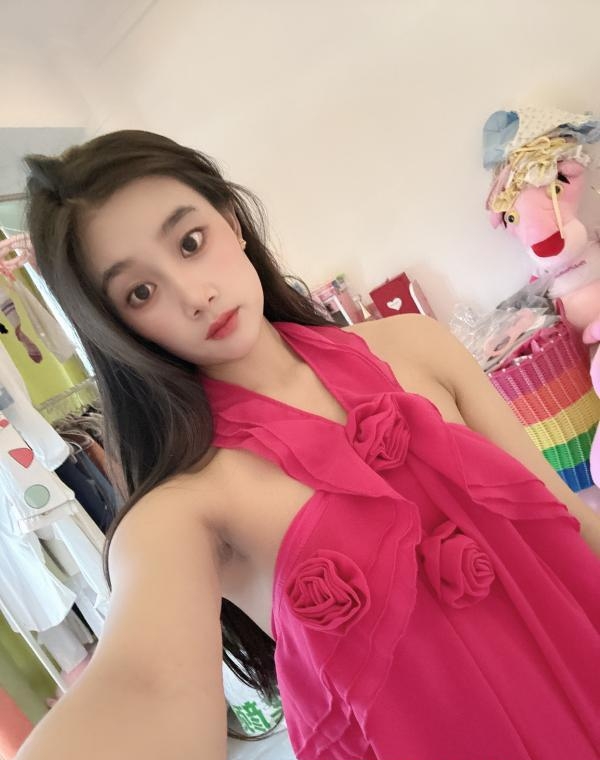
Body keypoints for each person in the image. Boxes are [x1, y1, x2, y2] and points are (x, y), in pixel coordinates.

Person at [16, 130, 600, 760]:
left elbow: (564, 514)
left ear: (231, 221)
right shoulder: (189, 504)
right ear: (119, 327)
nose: (193, 296)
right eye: (140, 292)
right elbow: (143, 685)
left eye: (190, 242)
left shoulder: (416, 344)